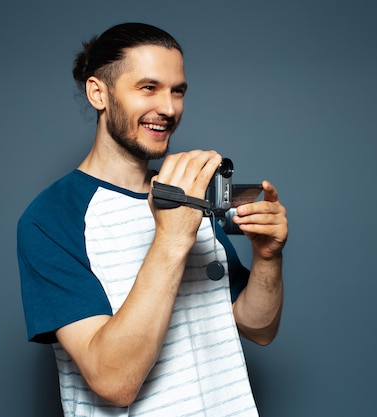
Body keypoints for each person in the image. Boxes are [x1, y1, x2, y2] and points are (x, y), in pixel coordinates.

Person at [17, 22, 288, 416]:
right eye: (148, 88)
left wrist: (268, 258)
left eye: (178, 90)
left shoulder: (191, 193)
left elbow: (257, 328)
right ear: (99, 93)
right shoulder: (51, 218)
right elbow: (114, 382)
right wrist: (172, 238)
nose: (169, 107)